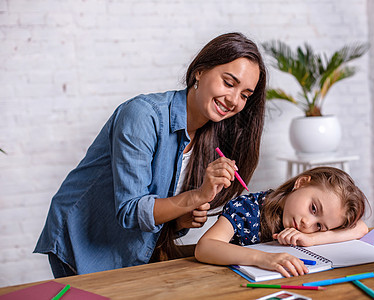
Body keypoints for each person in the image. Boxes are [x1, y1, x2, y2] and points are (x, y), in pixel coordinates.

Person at [34, 32, 267, 277]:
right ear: (200, 71)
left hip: (131, 248)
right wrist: (197, 196)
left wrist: (181, 221)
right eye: (229, 83)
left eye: (245, 95)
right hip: (84, 241)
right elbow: (131, 211)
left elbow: (158, 209)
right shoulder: (143, 116)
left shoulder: (211, 136)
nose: (233, 100)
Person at [195, 167, 369, 278]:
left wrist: (313, 240)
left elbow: (361, 228)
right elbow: (205, 247)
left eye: (319, 226)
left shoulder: (307, 232)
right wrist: (263, 259)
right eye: (313, 209)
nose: (307, 224)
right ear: (301, 183)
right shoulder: (247, 208)